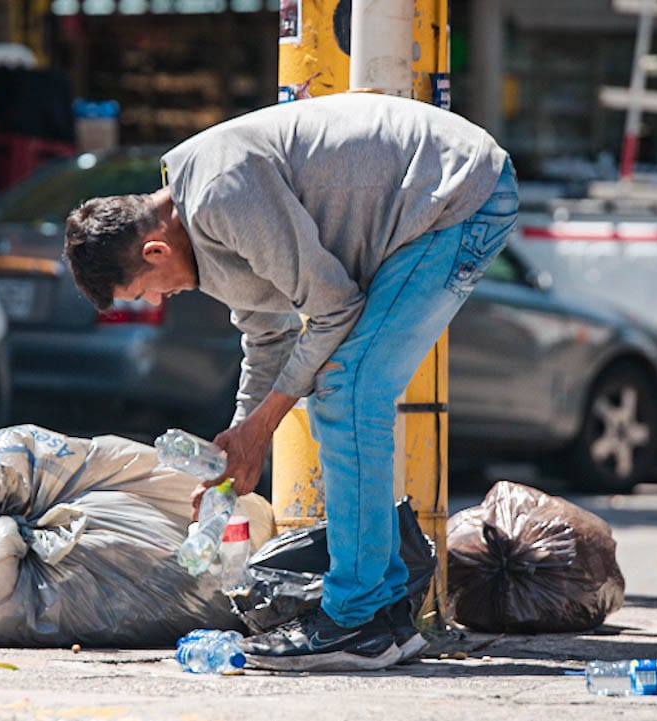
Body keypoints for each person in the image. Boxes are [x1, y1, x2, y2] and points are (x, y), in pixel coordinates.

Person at [64, 91, 518, 672]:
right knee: (343, 389)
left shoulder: (220, 195)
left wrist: (263, 426)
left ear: (154, 250)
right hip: (431, 207)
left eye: (145, 289)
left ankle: (357, 620)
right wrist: (236, 446)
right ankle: (386, 620)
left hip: (458, 197)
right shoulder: (198, 231)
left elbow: (333, 306)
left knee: (348, 392)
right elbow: (267, 339)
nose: (160, 299)